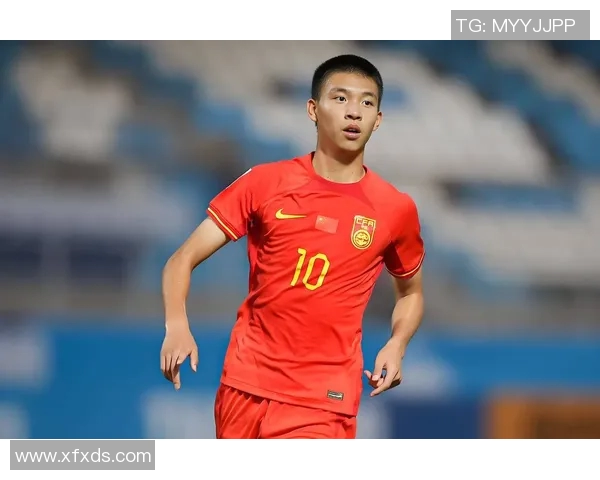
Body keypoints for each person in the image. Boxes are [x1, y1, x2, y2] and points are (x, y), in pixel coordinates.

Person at [160, 54, 425, 439]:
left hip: (322, 399)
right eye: (341, 98)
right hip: (244, 385)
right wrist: (176, 326)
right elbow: (181, 259)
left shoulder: (394, 208)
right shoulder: (265, 183)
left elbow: (411, 292)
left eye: (366, 102)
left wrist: (397, 344)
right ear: (313, 110)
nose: (354, 112)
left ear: (378, 119)